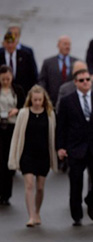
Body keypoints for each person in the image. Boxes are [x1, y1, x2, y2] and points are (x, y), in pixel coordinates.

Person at [56, 69, 93, 226]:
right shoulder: (67, 101)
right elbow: (61, 126)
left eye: (87, 79)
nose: (85, 82)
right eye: (81, 80)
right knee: (76, 182)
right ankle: (76, 214)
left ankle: (91, 200)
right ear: (75, 83)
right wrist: (60, 147)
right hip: (76, 148)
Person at [8, 85, 58, 226]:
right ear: (30, 99)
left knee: (40, 187)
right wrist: (14, 155)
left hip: (43, 155)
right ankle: (30, 216)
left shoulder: (49, 114)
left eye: (39, 100)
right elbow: (17, 136)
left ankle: (37, 212)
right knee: (29, 185)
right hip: (27, 155)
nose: (37, 102)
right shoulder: (24, 113)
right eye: (35, 100)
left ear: (44, 100)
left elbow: (53, 135)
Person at [0, 65, 25, 205]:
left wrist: (17, 110)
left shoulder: (17, 90)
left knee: (8, 161)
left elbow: (24, 105)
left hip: (12, 127)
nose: (5, 82)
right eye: (3, 79)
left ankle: (6, 193)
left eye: (7, 79)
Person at [38, 35, 79, 105]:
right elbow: (42, 81)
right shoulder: (48, 62)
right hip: (52, 101)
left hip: (72, 101)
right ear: (58, 45)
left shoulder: (77, 62)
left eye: (69, 44)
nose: (67, 47)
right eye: (65, 44)